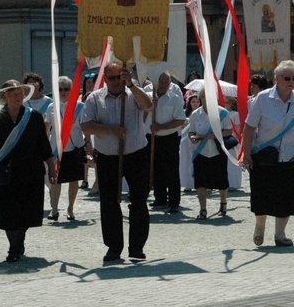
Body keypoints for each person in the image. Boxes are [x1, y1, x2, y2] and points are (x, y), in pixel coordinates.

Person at [0, 80, 57, 262]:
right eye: (13, 93)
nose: (18, 96)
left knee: (27, 212)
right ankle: (13, 248)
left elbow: (44, 146)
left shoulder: (34, 117)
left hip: (31, 172)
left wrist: (52, 168)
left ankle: (19, 239)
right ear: (5, 97)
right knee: (8, 213)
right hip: (4, 172)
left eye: (20, 93)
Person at [81, 61, 154, 262]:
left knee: (139, 200)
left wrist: (130, 85)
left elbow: (148, 105)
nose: (115, 82)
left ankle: (137, 247)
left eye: (119, 77)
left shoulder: (134, 94)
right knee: (109, 203)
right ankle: (114, 247)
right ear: (104, 79)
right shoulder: (95, 99)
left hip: (136, 154)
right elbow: (86, 126)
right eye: (111, 78)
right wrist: (111, 130)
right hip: (108, 158)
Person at [242, 60, 294, 247]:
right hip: (265, 155)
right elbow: (249, 127)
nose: (291, 82)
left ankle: (280, 234)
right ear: (277, 78)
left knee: (287, 195)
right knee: (262, 194)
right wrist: (247, 153)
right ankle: (260, 227)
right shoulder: (263, 98)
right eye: (287, 78)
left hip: (290, 155)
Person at [44, 76, 87, 221]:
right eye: (60, 89)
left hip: (74, 149)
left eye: (66, 89)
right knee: (55, 180)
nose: (63, 92)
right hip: (57, 150)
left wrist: (90, 145)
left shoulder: (79, 106)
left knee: (73, 180)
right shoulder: (51, 106)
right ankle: (54, 209)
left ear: (72, 90)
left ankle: (70, 208)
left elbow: (85, 128)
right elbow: (46, 129)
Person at [145, 72, 186, 213]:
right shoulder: (147, 95)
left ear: (170, 83)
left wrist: (161, 127)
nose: (163, 85)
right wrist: (150, 107)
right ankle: (160, 198)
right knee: (155, 168)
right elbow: (140, 115)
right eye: (160, 82)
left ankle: (174, 201)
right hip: (151, 137)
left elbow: (181, 120)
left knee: (172, 170)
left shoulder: (174, 99)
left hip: (169, 137)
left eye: (166, 82)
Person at [188, 87, 231, 220]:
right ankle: (203, 209)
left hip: (218, 151)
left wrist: (215, 135)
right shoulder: (195, 114)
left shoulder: (223, 113)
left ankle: (223, 203)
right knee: (200, 182)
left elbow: (229, 131)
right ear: (201, 98)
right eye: (205, 96)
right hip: (201, 152)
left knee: (222, 180)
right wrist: (193, 138)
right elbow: (191, 131)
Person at [80, 72, 98, 194]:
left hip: (95, 130)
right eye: (88, 83)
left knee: (94, 157)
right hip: (83, 130)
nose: (90, 85)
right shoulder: (81, 98)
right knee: (85, 157)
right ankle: (84, 179)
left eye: (92, 82)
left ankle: (97, 181)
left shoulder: (97, 96)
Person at [224, 96, 243, 191]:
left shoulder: (235, 114)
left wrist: (232, 138)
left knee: (233, 163)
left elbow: (238, 128)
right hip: (224, 139)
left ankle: (233, 183)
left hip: (232, 140)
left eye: (226, 102)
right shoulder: (223, 113)